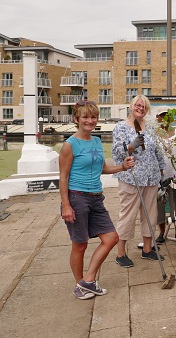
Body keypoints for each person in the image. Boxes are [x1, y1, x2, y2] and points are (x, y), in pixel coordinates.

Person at [59, 100, 135, 299]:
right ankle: (80, 285)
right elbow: (63, 177)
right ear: (76, 119)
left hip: (96, 198)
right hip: (77, 198)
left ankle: (88, 280)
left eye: (93, 117)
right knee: (80, 244)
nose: (90, 121)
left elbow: (101, 169)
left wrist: (122, 167)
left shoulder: (97, 141)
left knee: (111, 238)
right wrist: (66, 205)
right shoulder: (70, 145)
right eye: (85, 117)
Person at [111, 95, 166, 268]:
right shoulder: (121, 127)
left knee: (150, 214)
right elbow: (117, 154)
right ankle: (121, 253)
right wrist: (131, 146)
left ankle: (147, 250)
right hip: (131, 178)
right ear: (131, 106)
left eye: (144, 106)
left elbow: (157, 151)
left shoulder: (149, 128)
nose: (141, 108)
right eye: (138, 105)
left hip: (151, 178)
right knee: (128, 214)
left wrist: (162, 171)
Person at [154, 107, 176, 244]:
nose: (165, 118)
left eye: (168, 115)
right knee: (159, 207)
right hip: (159, 178)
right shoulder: (154, 135)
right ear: (158, 118)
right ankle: (162, 232)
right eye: (162, 116)